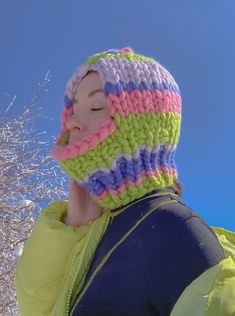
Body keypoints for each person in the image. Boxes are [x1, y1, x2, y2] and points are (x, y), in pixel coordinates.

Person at [15, 47, 235, 316]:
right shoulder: (97, 228)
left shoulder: (179, 234)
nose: (72, 122)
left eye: (95, 106)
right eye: (73, 110)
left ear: (143, 125)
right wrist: (72, 228)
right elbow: (37, 310)